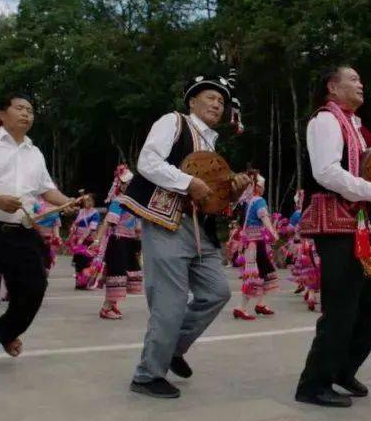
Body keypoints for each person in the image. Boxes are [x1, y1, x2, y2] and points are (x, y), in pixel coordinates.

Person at [121, 75, 250, 399]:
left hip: (199, 229)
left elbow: (214, 198)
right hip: (166, 221)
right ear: (191, 101)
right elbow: (148, 162)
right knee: (170, 302)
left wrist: (233, 190)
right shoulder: (173, 122)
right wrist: (188, 182)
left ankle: (172, 349)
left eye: (221, 101)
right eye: (209, 98)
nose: (216, 104)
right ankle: (148, 375)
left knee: (217, 291)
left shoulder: (212, 145)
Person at [294, 65, 371, 408]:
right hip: (335, 224)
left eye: (361, 79)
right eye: (353, 79)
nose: (361, 84)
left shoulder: (358, 128)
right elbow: (327, 172)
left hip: (360, 223)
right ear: (332, 87)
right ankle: (313, 383)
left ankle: (342, 368)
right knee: (341, 306)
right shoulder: (326, 121)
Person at [0, 94, 76, 381]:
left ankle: (6, 330)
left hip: (22, 231)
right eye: (19, 108)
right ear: (2, 114)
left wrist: (69, 201)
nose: (26, 114)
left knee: (34, 287)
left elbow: (47, 190)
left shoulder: (35, 152)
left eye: (30, 110)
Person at [93, 165, 142, 320]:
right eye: (126, 182)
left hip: (129, 242)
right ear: (120, 185)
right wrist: (96, 240)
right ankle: (106, 308)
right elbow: (107, 222)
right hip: (118, 241)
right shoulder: (119, 201)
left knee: (125, 275)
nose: (129, 185)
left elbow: (138, 225)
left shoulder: (133, 202)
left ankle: (111, 304)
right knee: (117, 274)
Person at [230, 175, 281, 320]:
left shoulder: (248, 202)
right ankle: (241, 307)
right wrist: (273, 232)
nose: (264, 188)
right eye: (262, 186)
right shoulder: (259, 200)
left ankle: (261, 304)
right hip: (256, 243)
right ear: (258, 187)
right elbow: (264, 217)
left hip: (252, 243)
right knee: (255, 276)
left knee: (266, 273)